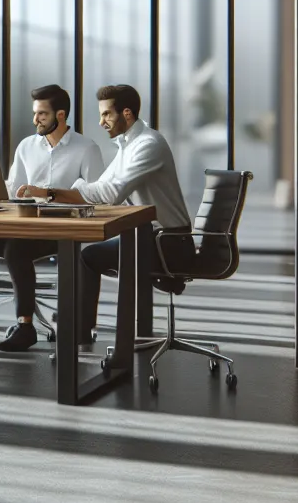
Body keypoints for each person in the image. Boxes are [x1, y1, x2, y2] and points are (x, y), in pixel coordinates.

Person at [18, 83, 191, 343]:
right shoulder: (126, 147)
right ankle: (79, 331)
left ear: (127, 114)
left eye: (107, 114)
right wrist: (49, 193)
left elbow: (111, 194)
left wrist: (50, 192)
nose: (101, 122)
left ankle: (81, 334)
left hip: (169, 242)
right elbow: (96, 188)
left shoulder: (148, 144)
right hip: (148, 236)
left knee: (88, 256)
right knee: (90, 253)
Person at [0, 84, 104, 356]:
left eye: (42, 114)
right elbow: (11, 188)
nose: (35, 120)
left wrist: (54, 197)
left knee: (16, 249)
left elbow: (97, 195)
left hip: (61, 229)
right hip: (23, 223)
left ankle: (25, 326)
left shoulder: (86, 148)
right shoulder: (27, 146)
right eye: (35, 113)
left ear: (61, 115)